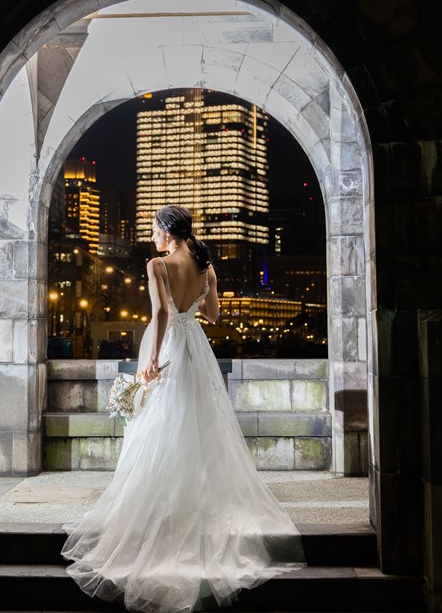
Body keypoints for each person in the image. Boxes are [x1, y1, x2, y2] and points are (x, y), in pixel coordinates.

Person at [61, 205, 305, 612]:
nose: (152, 236)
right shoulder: (207, 266)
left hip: (169, 345)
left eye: (155, 229)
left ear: (166, 231)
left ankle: (162, 508)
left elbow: (158, 313)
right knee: (201, 427)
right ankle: (198, 505)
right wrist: (200, 297)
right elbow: (213, 314)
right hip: (197, 350)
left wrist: (152, 359)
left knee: (160, 427)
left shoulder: (157, 265)